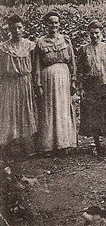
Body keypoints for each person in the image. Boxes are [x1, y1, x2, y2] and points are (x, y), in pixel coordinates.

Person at [34, 11, 77, 154]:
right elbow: (37, 65)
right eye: (51, 22)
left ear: (59, 24)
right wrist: (38, 84)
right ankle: (48, 145)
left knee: (63, 108)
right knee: (49, 109)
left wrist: (73, 80)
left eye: (56, 22)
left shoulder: (65, 40)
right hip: (47, 79)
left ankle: (64, 144)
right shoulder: (40, 42)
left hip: (64, 78)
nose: (54, 25)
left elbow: (72, 62)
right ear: (46, 24)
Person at [77, 21, 106, 155]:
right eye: (92, 33)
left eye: (97, 33)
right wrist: (81, 87)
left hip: (105, 86)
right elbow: (80, 70)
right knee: (93, 117)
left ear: (101, 33)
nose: (94, 36)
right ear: (88, 34)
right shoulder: (84, 49)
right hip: (91, 87)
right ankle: (98, 145)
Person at [0, 15, 37, 158]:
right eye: (13, 28)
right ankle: (10, 146)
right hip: (9, 83)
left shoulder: (30, 46)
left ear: (23, 29)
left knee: (25, 110)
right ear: (9, 29)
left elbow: (35, 66)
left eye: (19, 28)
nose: (16, 31)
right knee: (10, 112)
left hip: (25, 82)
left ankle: (26, 146)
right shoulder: (4, 47)